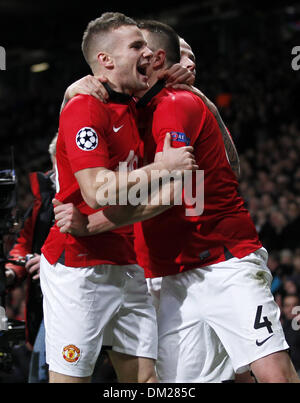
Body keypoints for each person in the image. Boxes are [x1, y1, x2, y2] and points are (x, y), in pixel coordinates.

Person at [54, 19, 299, 383]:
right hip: (163, 271)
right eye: (140, 48)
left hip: (220, 258)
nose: (186, 67)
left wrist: (90, 225)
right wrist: (72, 92)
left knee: (270, 373)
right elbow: (70, 142)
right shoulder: (127, 109)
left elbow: (172, 191)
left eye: (152, 50)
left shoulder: (173, 104)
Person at [40, 12, 197, 384]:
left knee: (146, 380)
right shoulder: (84, 106)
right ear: (106, 61)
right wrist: (164, 167)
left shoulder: (138, 106)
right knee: (71, 379)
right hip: (79, 269)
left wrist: (185, 77)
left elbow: (173, 195)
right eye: (137, 46)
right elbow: (96, 190)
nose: (148, 53)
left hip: (127, 264)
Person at [5, 133, 58, 383]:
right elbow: (23, 243)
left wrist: (51, 261)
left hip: (81, 295)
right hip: (47, 301)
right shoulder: (45, 195)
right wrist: (11, 272)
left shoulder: (96, 194)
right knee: (40, 374)